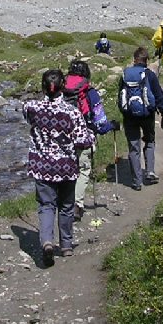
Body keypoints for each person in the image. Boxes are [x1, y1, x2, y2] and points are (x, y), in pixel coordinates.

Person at [22, 68, 95, 265]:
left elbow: (25, 112)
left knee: (46, 205)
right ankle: (66, 245)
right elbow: (83, 140)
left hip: (41, 166)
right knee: (66, 206)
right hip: (66, 167)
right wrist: (92, 136)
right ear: (63, 86)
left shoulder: (31, 108)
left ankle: (46, 242)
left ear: (43, 87)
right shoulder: (71, 112)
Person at [63, 58, 119, 221]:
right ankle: (76, 205)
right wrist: (112, 126)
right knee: (83, 171)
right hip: (83, 139)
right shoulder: (90, 93)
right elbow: (100, 124)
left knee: (67, 172)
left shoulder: (60, 90)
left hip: (61, 140)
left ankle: (62, 203)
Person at [117, 47, 163, 191]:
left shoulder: (125, 75)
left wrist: (124, 112)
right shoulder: (149, 75)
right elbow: (158, 95)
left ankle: (136, 181)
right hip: (147, 115)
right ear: (146, 60)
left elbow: (120, 96)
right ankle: (150, 171)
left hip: (129, 116)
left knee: (134, 147)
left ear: (134, 59)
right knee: (150, 140)